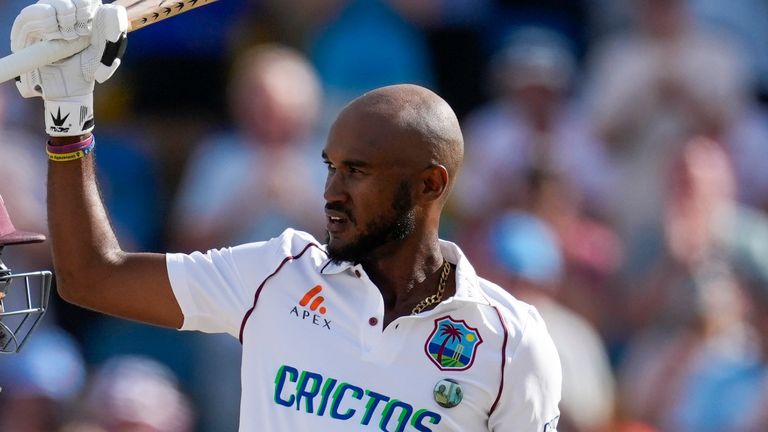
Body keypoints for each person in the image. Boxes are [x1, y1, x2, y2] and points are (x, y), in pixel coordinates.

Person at [10, 0, 562, 430]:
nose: (331, 192)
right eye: (329, 167)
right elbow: (91, 276)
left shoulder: (510, 340)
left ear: (430, 184)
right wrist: (68, 122)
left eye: (357, 171)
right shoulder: (278, 274)